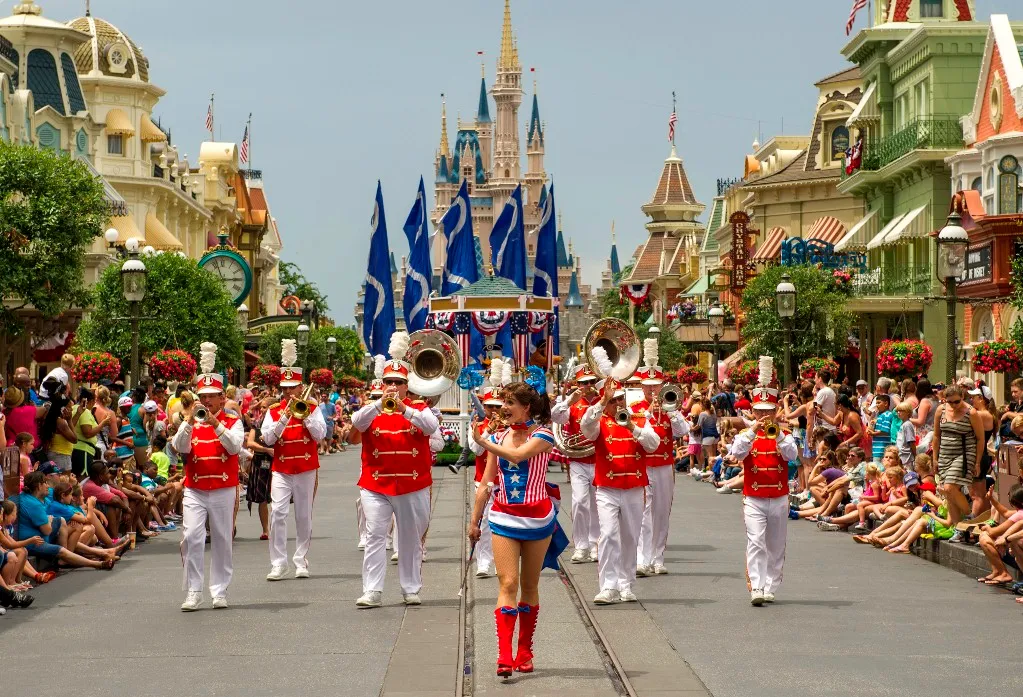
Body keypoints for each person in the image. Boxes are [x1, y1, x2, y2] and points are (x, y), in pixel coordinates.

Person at [469, 381, 556, 678]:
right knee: (507, 583)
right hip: (504, 516)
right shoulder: (498, 436)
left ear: (526, 407)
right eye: (503, 402)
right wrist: (474, 520)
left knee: (529, 586)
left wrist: (483, 442)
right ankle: (504, 656)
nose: (503, 408)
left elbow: (518, 457)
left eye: (509, 403)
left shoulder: (543, 434)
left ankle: (525, 651)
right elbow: (486, 481)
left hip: (537, 518)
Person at [350, 352, 439, 608]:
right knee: (375, 535)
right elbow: (357, 423)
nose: (393, 386)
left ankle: (410, 588)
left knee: (410, 538)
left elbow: (431, 427)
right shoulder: (371, 409)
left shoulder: (419, 408)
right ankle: (372, 590)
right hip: (376, 484)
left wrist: (404, 409)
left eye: (398, 382)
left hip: (412, 485)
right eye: (389, 381)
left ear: (406, 385)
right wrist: (379, 404)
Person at [171, 351, 246, 612]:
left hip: (224, 488)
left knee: (223, 538)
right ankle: (193, 591)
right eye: (202, 397)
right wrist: (189, 422)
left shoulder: (233, 421)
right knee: (192, 536)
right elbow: (178, 447)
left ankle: (220, 589)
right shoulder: (190, 421)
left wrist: (215, 424)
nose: (205, 401)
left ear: (222, 398)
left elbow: (235, 447)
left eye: (210, 397)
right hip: (195, 488)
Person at [580, 379, 659, 605]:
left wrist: (632, 427)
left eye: (618, 399)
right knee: (608, 535)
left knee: (630, 536)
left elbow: (653, 444)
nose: (616, 404)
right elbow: (586, 426)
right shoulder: (599, 421)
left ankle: (626, 584)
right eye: (612, 400)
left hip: (634, 488)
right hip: (607, 488)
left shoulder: (640, 418)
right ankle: (608, 586)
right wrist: (602, 400)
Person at [728, 358, 798, 606]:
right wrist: (750, 431)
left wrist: (778, 434)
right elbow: (736, 453)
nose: (765, 416)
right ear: (753, 412)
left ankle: (771, 585)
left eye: (769, 411)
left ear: (776, 412)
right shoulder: (746, 435)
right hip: (754, 497)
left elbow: (792, 455)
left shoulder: (785, 435)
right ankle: (756, 586)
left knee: (776, 545)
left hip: (778, 497)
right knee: (756, 541)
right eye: (760, 411)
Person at [261, 346, 327, 581]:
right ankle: (278, 563)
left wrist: (305, 414)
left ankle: (301, 560)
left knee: (303, 515)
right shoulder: (274, 411)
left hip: (306, 469)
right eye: (285, 388)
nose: (289, 393)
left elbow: (320, 435)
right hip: (282, 468)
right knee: (278, 512)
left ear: (301, 387)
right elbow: (267, 438)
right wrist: (284, 418)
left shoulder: (313, 408)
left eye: (293, 388)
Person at [632, 367, 690, 576]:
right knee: (645, 512)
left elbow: (683, 432)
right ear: (641, 387)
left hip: (665, 465)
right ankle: (643, 559)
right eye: (648, 386)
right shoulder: (635, 408)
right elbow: (635, 430)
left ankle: (658, 558)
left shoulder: (670, 407)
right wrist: (649, 410)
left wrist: (672, 411)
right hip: (644, 465)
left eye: (656, 385)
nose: (652, 390)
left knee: (662, 512)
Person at [549, 365, 600, 564]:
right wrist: (569, 399)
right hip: (578, 461)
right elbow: (554, 417)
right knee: (579, 502)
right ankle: (581, 546)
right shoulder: (572, 404)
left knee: (597, 504)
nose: (588, 386)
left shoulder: (603, 401)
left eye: (591, 382)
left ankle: (596, 544)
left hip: (599, 460)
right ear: (577, 385)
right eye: (583, 382)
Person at [933, 385, 985, 535]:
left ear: (962, 397)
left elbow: (980, 439)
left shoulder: (971, 413)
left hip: (964, 453)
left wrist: (977, 462)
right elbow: (936, 436)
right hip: (945, 454)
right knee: (947, 493)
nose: (954, 405)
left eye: (957, 401)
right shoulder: (941, 410)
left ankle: (969, 514)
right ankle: (958, 529)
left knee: (949, 487)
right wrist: (935, 459)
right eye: (950, 402)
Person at [467, 385, 506, 578]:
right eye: (490, 406)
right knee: (483, 524)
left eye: (498, 406)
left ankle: (502, 560)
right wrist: (487, 432)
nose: (494, 411)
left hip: (507, 482)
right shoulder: (476, 425)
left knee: (504, 524)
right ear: (483, 405)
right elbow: (476, 450)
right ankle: (483, 562)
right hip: (483, 481)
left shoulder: (510, 427)